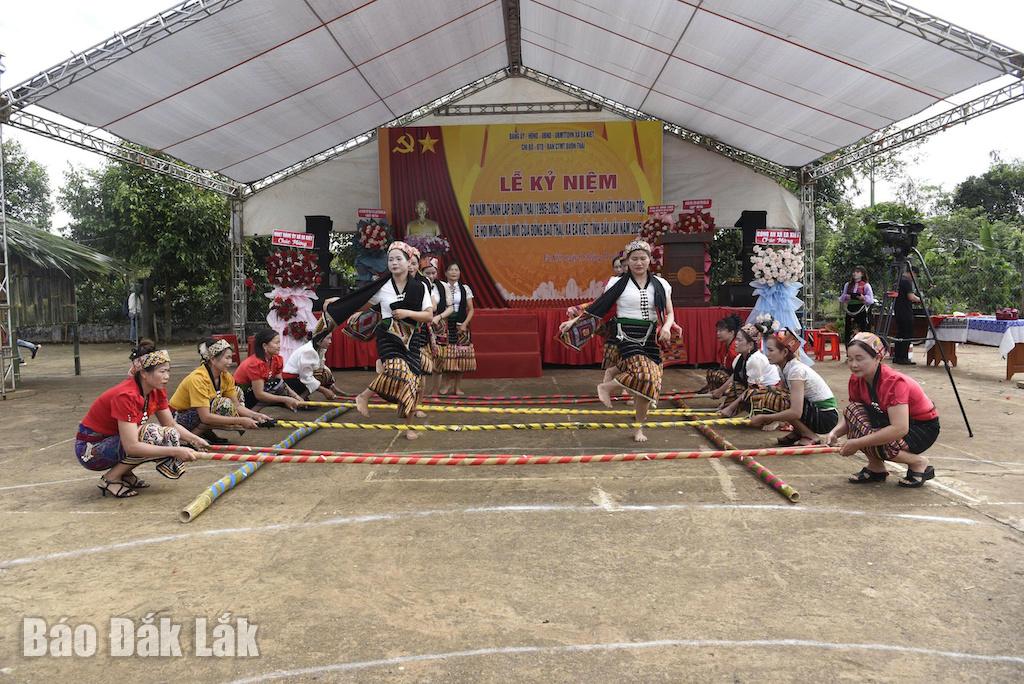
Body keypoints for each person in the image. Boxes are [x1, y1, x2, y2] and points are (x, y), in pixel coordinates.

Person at [561, 239, 675, 443]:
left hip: (650, 337)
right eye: (634, 259)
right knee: (645, 375)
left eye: (643, 258)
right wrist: (575, 321)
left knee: (649, 386)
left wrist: (666, 326)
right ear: (627, 262)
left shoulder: (662, 284)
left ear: (650, 260)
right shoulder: (616, 283)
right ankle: (607, 386)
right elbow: (599, 306)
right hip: (626, 336)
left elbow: (670, 312)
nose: (639, 262)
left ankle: (638, 428)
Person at [318, 242, 434, 439]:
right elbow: (360, 302)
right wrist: (339, 303)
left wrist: (406, 312)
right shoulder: (382, 286)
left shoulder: (420, 287)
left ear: (409, 263)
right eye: (391, 259)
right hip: (388, 335)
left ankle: (408, 426)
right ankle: (363, 396)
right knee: (396, 369)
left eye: (399, 259)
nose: (394, 263)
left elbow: (428, 316)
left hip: (412, 338)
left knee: (413, 383)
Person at [74, 341, 207, 498]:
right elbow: (132, 446)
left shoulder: (156, 390)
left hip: (113, 441)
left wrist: (195, 439)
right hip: (91, 450)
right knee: (152, 434)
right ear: (144, 373)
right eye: (162, 371)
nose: (167, 376)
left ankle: (125, 473)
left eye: (168, 371)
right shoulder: (126, 396)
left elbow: (170, 424)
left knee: (167, 433)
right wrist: (176, 450)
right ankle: (111, 478)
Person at [826, 332, 939, 487]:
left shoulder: (893, 383)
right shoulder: (857, 380)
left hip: (921, 427)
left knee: (878, 439)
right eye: (850, 359)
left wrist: (857, 443)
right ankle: (876, 467)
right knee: (854, 412)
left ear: (878, 358)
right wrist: (835, 433)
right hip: (890, 420)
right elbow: (852, 416)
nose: (853, 364)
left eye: (859, 359)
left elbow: (899, 428)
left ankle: (918, 463)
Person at [169, 338, 272, 444]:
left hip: (197, 413)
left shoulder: (225, 376)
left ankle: (204, 434)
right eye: (227, 358)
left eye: (231, 358)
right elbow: (205, 417)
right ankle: (189, 440)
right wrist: (241, 420)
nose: (230, 362)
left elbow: (237, 406)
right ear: (213, 359)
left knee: (236, 392)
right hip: (178, 417)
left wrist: (255, 415)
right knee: (222, 404)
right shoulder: (198, 378)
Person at [750, 328, 839, 444]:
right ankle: (800, 431)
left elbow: (795, 412)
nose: (767, 354)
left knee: (779, 398)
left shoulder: (796, 371)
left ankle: (809, 435)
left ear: (785, 353)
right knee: (774, 393)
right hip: (816, 412)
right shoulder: (784, 368)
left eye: (771, 350)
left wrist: (765, 418)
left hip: (825, 417)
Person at [717, 322, 782, 419]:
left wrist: (730, 408)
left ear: (750, 345)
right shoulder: (740, 358)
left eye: (739, 340)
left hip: (773, 394)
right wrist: (725, 401)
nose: (735, 343)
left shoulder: (755, 360)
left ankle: (773, 418)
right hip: (759, 389)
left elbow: (753, 389)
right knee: (736, 386)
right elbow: (736, 380)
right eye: (736, 339)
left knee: (751, 392)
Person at [234, 329, 303, 410]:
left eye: (279, 342)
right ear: (265, 346)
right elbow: (259, 394)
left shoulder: (276, 359)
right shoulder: (255, 364)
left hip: (255, 391)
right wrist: (286, 399)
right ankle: (251, 414)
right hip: (242, 394)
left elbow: (281, 383)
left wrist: (295, 396)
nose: (279, 346)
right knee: (273, 386)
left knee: (278, 384)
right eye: (276, 343)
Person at [435, 262, 476, 396]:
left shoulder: (465, 289)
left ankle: (457, 387)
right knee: (447, 356)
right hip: (446, 324)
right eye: (451, 270)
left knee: (461, 357)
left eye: (456, 270)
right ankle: (446, 384)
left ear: (459, 272)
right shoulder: (441, 287)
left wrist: (465, 324)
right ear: (446, 273)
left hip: (461, 325)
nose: (454, 272)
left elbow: (471, 309)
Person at [421, 256, 451, 398]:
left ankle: (434, 393)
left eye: (433, 273)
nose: (431, 276)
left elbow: (451, 308)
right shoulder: (419, 285)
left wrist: (438, 317)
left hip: (439, 327)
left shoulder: (444, 286)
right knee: (423, 362)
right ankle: (421, 394)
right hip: (423, 326)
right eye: (428, 273)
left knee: (439, 362)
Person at [282, 331, 341, 401]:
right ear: (319, 339)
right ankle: (300, 399)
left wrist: (332, 387)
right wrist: (324, 391)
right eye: (328, 338)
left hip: (299, 377)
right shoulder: (309, 351)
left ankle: (301, 397)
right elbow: (306, 377)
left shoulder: (320, 348)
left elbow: (322, 368)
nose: (330, 342)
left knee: (325, 372)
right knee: (320, 374)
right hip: (291, 380)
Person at [700, 314, 742, 395]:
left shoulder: (734, 349)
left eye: (721, 331)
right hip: (731, 374)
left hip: (739, 378)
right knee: (712, 373)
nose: (717, 333)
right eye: (717, 330)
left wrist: (720, 390)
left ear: (731, 332)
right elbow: (723, 366)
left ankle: (731, 395)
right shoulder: (724, 345)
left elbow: (737, 373)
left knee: (719, 375)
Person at [892, 265, 921, 365]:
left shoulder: (898, 280)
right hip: (905, 311)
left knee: (900, 333)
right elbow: (911, 297)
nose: (915, 278)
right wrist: (920, 299)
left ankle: (897, 356)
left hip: (898, 310)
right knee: (907, 334)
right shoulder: (906, 282)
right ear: (912, 272)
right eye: (915, 275)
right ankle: (903, 357)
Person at [838, 266, 874, 345]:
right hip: (850, 309)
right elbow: (842, 297)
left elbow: (871, 299)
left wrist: (862, 298)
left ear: (862, 274)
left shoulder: (866, 285)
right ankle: (849, 349)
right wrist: (848, 297)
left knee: (862, 329)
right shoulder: (848, 285)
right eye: (854, 272)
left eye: (857, 272)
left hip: (860, 309)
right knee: (848, 329)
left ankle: (863, 347)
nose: (855, 274)